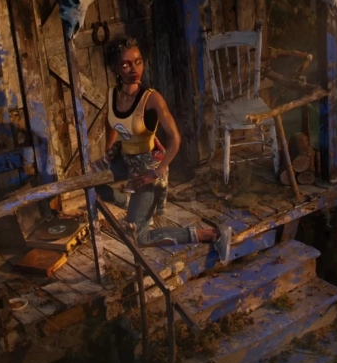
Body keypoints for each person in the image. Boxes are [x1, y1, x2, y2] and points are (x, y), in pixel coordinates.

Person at [93, 37, 233, 263]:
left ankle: (213, 234)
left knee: (140, 237)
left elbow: (175, 138)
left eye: (138, 61)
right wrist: (109, 151)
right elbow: (110, 122)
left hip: (147, 169)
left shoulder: (151, 99)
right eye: (126, 64)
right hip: (125, 160)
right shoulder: (112, 95)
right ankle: (131, 203)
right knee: (91, 182)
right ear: (115, 68)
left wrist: (157, 172)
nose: (134, 69)